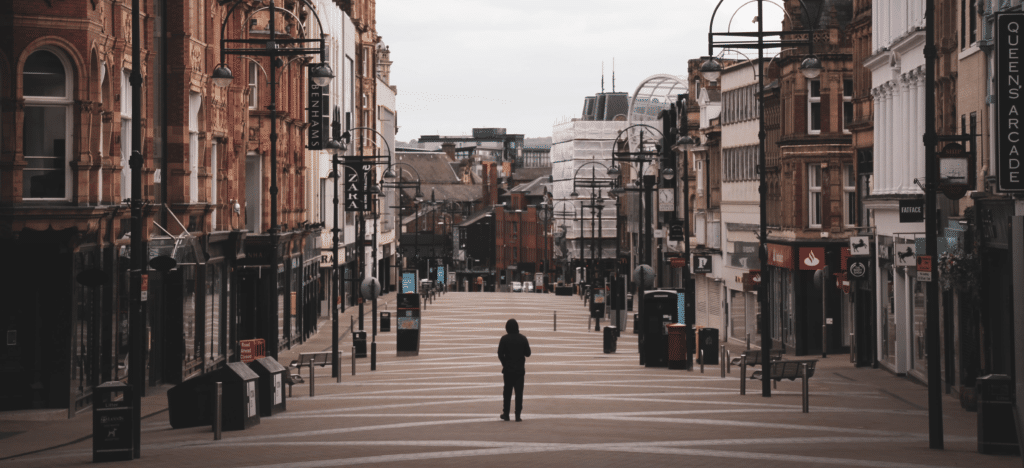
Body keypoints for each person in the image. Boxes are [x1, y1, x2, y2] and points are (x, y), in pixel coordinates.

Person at [497, 318, 531, 422]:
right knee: (519, 393)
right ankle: (517, 415)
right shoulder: (523, 338)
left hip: (508, 370)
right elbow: (528, 353)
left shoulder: (504, 339)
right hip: (520, 370)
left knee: (507, 392)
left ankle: (506, 414)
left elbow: (499, 353)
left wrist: (504, 363)